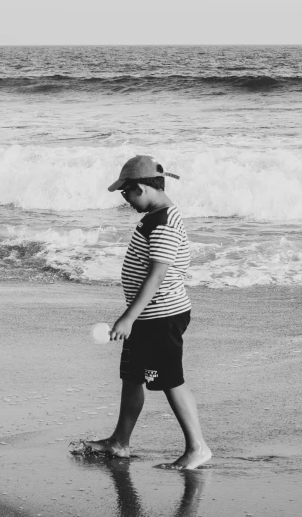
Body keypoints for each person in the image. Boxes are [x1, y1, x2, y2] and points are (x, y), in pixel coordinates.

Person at [85, 155, 212, 470]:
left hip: (162, 316)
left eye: (125, 193)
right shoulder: (154, 217)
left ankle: (198, 447)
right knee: (132, 377)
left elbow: (157, 275)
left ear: (140, 187)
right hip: (146, 316)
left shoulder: (165, 222)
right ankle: (119, 442)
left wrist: (128, 317)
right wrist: (133, 316)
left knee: (170, 380)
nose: (125, 200)